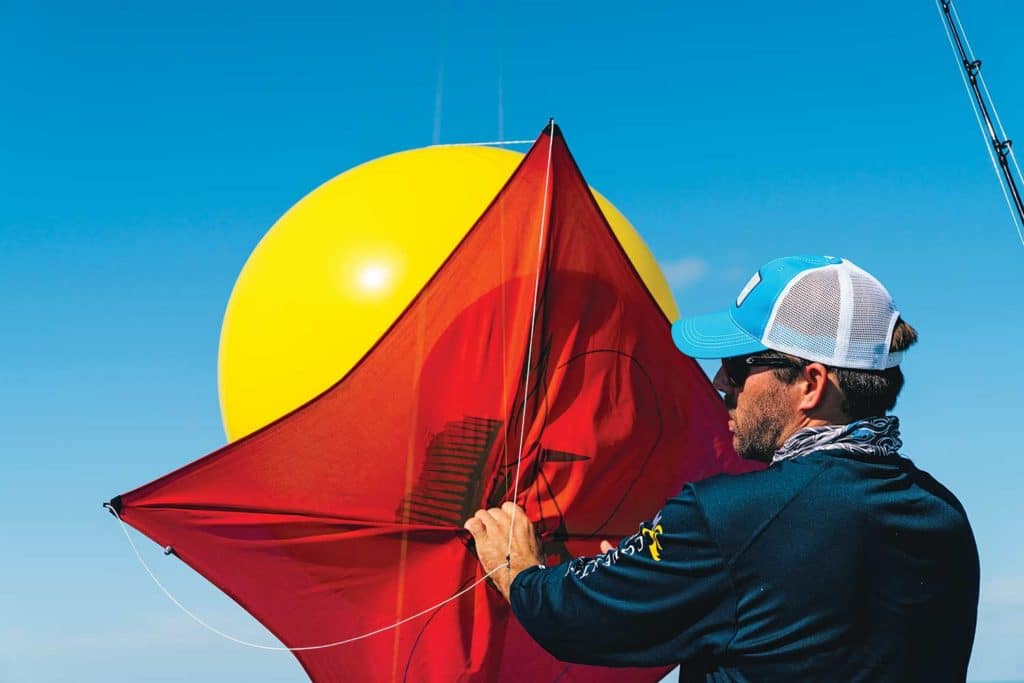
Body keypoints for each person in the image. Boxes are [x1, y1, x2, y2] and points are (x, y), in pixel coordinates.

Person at [464, 255, 979, 681]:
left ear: (811, 384)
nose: (719, 383)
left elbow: (570, 618)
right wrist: (652, 573)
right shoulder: (945, 518)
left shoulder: (725, 518)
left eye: (737, 365)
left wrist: (520, 570)